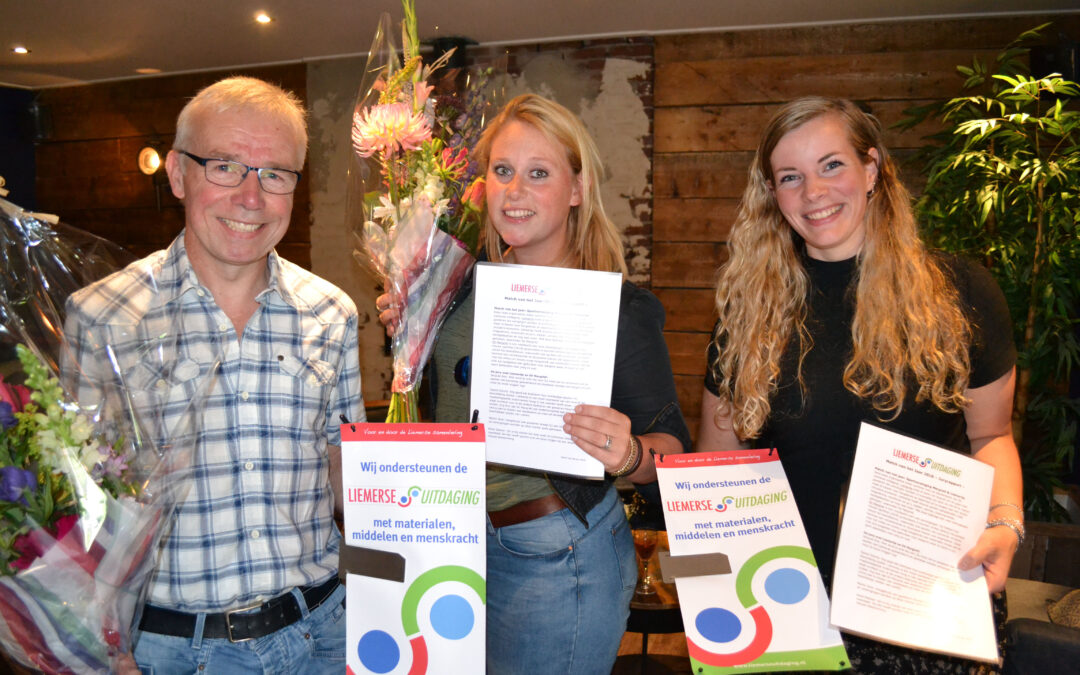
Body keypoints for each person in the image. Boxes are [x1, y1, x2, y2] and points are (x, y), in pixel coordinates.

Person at [696, 96, 1022, 672]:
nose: (813, 193)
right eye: (789, 177)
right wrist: (707, 585)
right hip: (786, 606)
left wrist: (1005, 525)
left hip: (924, 604)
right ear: (773, 195)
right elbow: (718, 469)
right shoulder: (748, 314)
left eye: (831, 165)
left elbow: (991, 435)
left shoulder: (963, 291)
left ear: (872, 169)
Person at [378, 93, 691, 673]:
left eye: (538, 173)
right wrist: (407, 336)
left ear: (577, 189)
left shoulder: (616, 307)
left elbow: (671, 451)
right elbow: (439, 402)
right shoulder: (457, 287)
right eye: (502, 171)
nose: (514, 191)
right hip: (452, 542)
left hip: (556, 557)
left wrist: (627, 455)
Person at [63, 76, 363, 673]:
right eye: (225, 166)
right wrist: (100, 643)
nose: (251, 197)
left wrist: (431, 511)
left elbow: (344, 472)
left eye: (275, 174)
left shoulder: (333, 313)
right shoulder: (102, 318)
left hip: (324, 636)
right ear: (177, 174)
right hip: (169, 652)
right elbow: (78, 503)